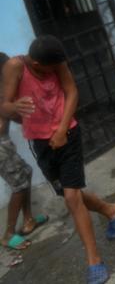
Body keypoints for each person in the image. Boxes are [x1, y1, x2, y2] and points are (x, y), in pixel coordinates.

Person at [1, 36, 115, 284]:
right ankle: (112, 210)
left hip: (68, 134)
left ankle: (94, 262)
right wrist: (13, 109)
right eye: (50, 69)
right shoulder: (15, 67)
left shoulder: (56, 60)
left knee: (71, 197)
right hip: (39, 142)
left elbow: (71, 90)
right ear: (36, 64)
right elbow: (3, 105)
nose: (56, 70)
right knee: (67, 193)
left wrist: (61, 130)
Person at [0, 52, 49, 253]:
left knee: (25, 173)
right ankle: (8, 234)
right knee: (19, 185)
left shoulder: (5, 90)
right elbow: (14, 113)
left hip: (3, 142)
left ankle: (28, 220)